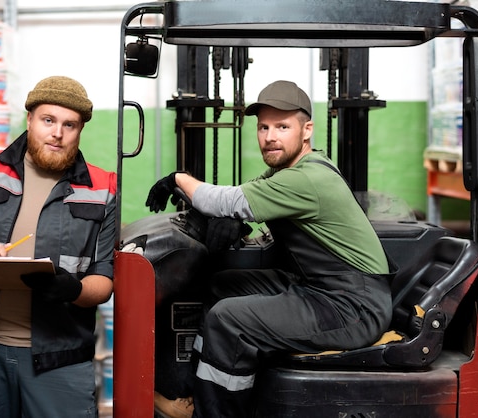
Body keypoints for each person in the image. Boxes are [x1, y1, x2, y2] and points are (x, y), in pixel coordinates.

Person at [146, 80, 394, 418]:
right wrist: (227, 213)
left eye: (282, 126)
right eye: (263, 126)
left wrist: (177, 178)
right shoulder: (291, 170)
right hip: (320, 288)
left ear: (307, 130)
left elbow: (229, 199)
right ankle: (193, 393)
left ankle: (217, 413)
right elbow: (242, 197)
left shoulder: (306, 178)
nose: (270, 136)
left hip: (352, 306)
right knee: (221, 286)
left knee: (229, 319)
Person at [0, 76, 116, 418]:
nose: (57, 133)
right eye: (48, 120)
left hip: (60, 357)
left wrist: (71, 289)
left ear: (79, 130)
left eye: (69, 124)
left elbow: (104, 280)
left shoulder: (103, 188)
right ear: (29, 120)